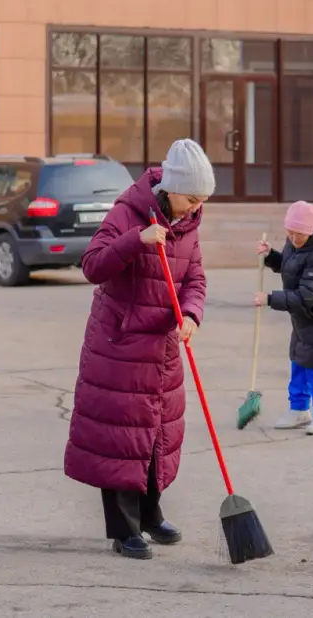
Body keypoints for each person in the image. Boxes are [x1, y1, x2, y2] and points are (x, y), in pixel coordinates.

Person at [64, 139, 213, 561]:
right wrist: (137, 239)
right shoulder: (127, 212)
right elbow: (93, 265)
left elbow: (196, 279)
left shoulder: (189, 224)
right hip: (120, 346)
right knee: (120, 437)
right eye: (192, 197)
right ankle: (124, 530)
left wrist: (190, 315)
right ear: (170, 187)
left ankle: (151, 515)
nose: (196, 206)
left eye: (203, 199)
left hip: (163, 348)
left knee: (155, 436)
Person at [255, 201, 313, 435]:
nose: (294, 238)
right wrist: (270, 256)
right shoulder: (295, 243)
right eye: (290, 232)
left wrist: (270, 298)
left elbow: (307, 295)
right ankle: (298, 409)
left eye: (300, 234)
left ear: (311, 231)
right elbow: (289, 266)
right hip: (304, 317)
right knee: (298, 360)